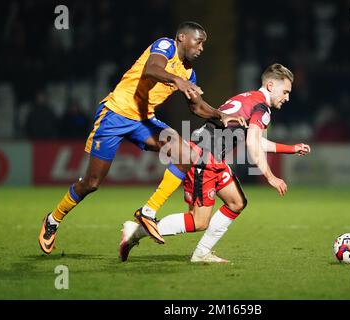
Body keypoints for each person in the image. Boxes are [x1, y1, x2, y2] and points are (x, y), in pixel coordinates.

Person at [38, 21, 245, 254]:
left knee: (185, 152)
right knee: (91, 183)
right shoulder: (165, 46)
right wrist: (177, 81)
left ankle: (148, 211)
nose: (201, 48)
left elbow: (196, 107)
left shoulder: (189, 73)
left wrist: (221, 115)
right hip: (114, 115)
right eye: (199, 42)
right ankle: (53, 220)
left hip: (143, 121)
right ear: (182, 38)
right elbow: (151, 69)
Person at [118, 63, 311, 262]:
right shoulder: (262, 109)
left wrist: (290, 148)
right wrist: (270, 177)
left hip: (211, 157)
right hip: (204, 158)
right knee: (198, 221)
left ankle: (201, 253)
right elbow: (253, 143)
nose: (287, 98)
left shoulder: (247, 97)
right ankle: (136, 232)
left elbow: (252, 139)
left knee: (237, 203)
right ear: (271, 85)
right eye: (285, 92)